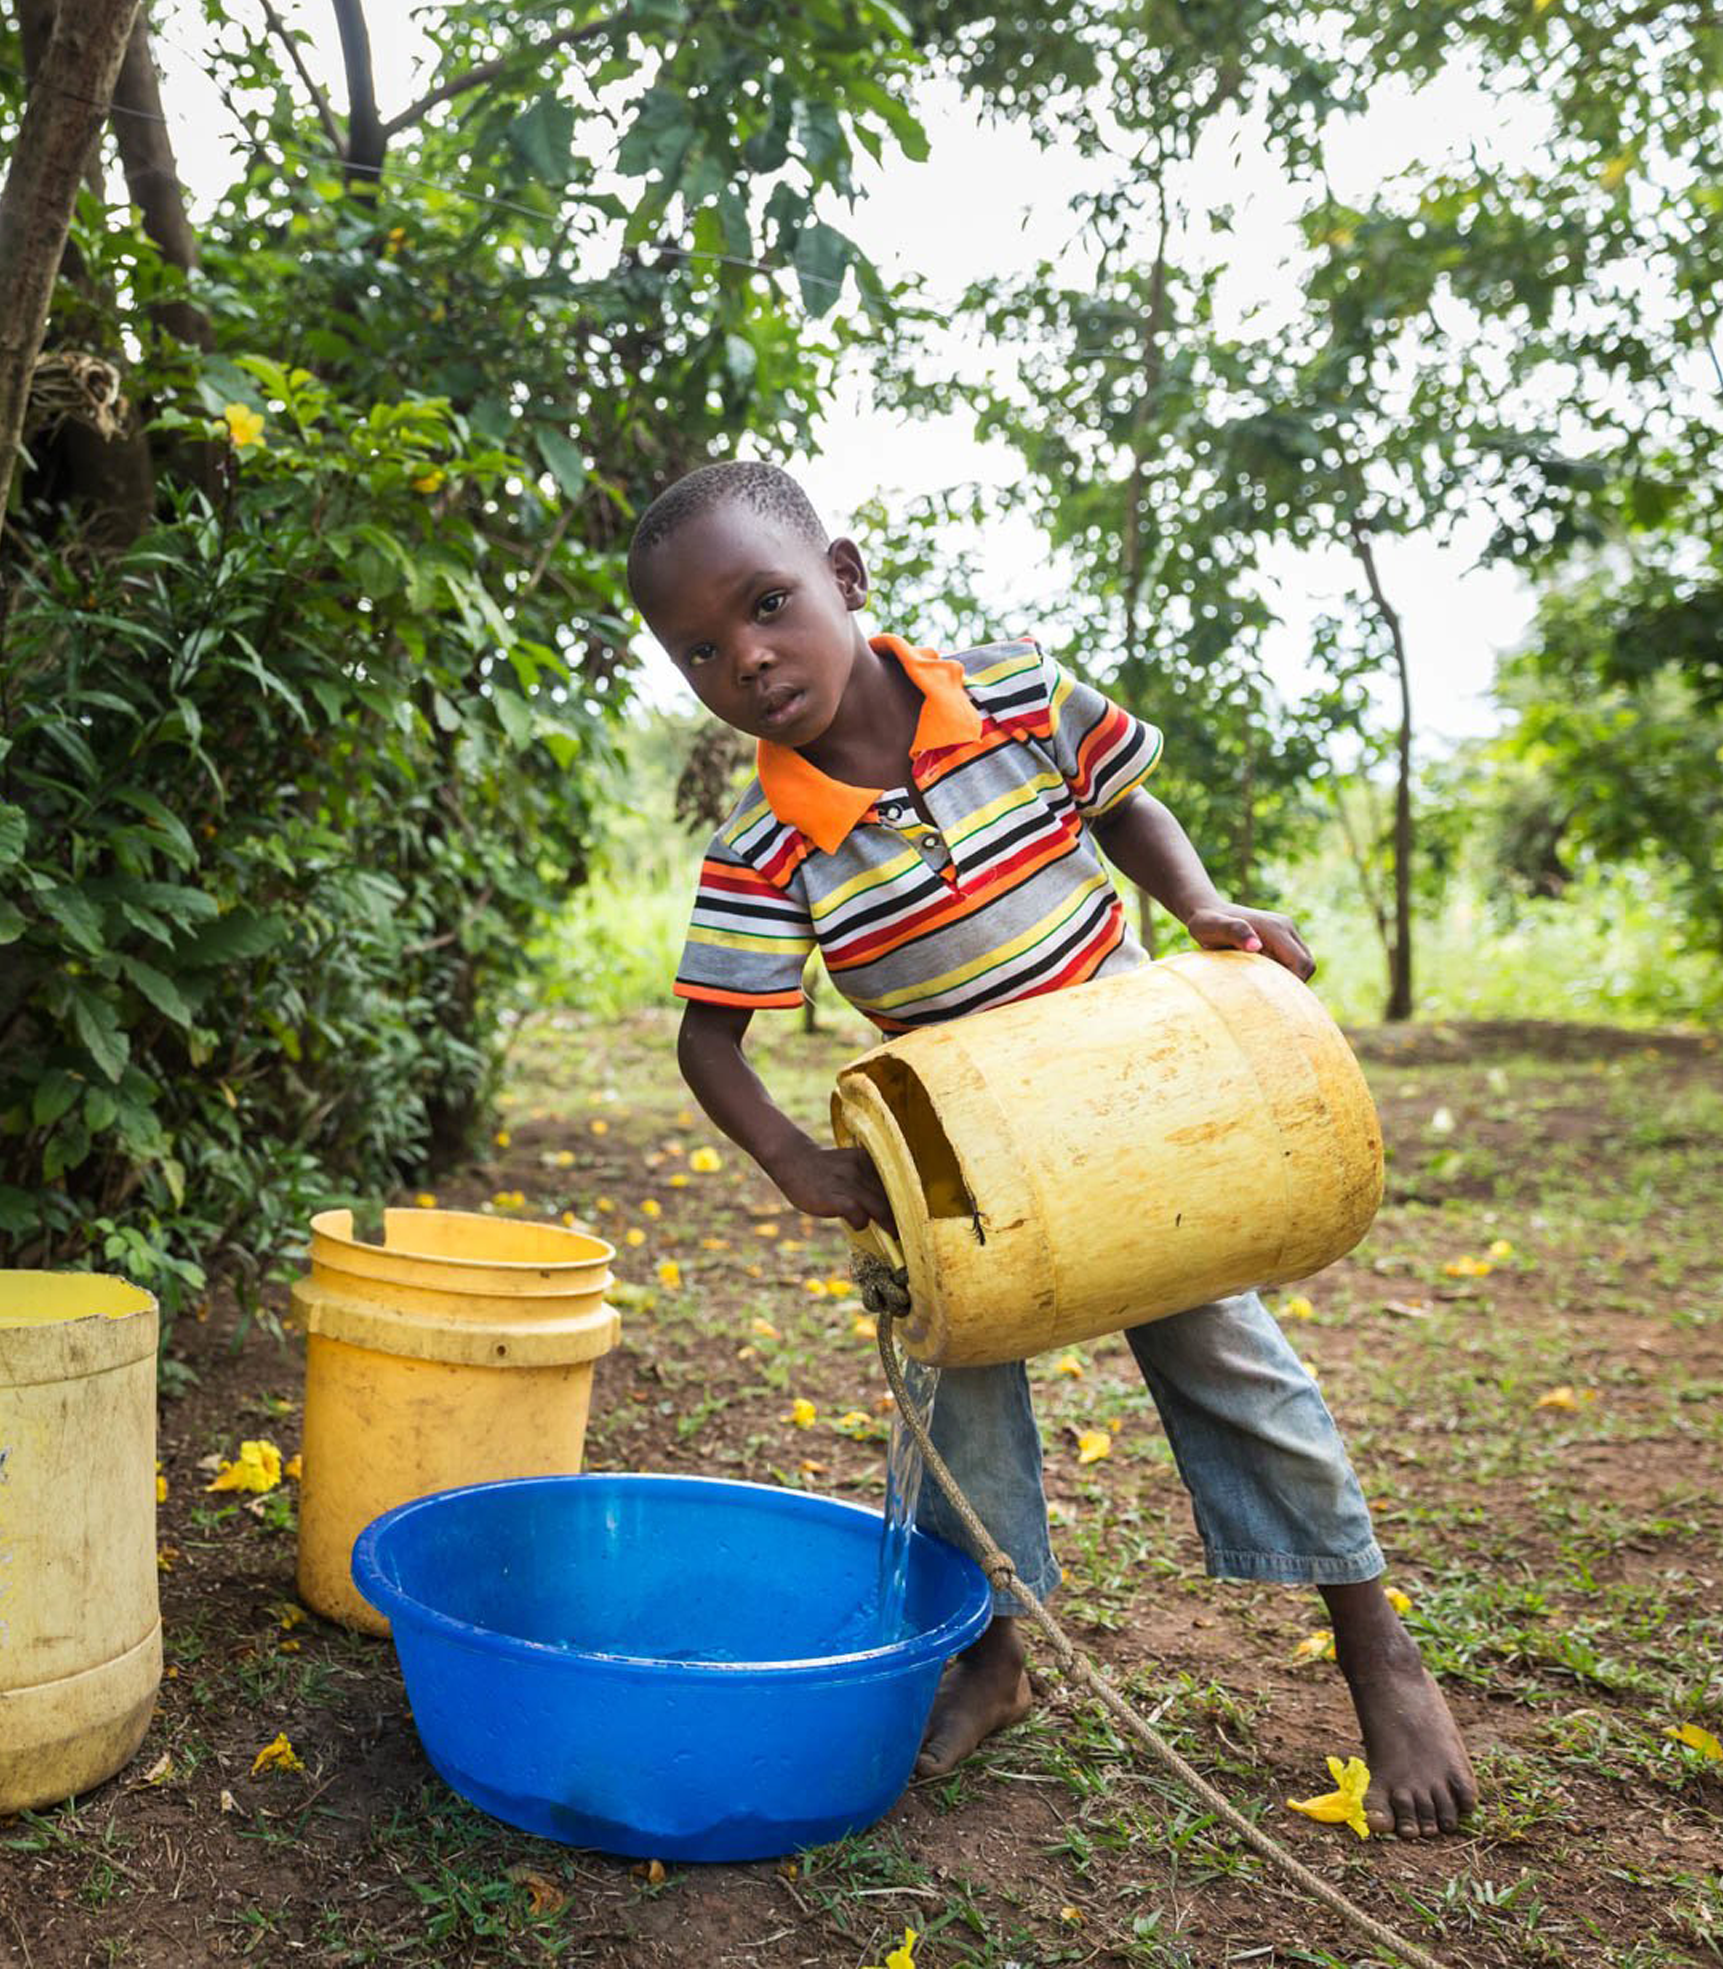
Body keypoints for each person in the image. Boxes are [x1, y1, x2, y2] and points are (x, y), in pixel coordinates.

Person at [627, 458, 1477, 1839]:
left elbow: (1125, 802)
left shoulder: (1016, 689)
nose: (749, 658)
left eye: (770, 604)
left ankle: (1379, 1653)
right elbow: (709, 1041)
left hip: (1142, 1109)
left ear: (846, 577)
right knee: (948, 1406)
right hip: (959, 1156)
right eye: (702, 648)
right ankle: (991, 1658)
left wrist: (1202, 906)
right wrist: (794, 1159)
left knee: (1237, 1366)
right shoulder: (764, 845)